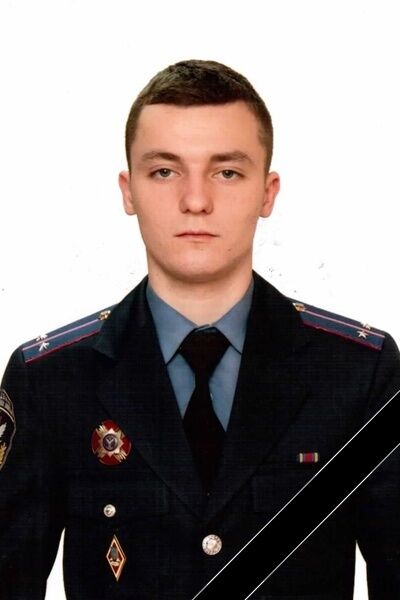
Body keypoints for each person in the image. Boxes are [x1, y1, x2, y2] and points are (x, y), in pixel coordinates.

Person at [0, 59, 399, 600]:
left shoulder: (358, 374)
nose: (195, 201)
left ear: (267, 192)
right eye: (164, 171)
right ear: (128, 191)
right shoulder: (51, 381)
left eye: (226, 172)